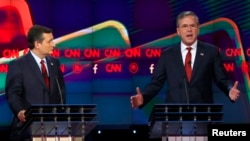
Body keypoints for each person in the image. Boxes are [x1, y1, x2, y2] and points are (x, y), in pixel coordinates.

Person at [130, 11, 240, 109]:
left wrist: (230, 90)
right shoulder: (167, 55)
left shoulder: (211, 52)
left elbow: (221, 79)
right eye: (184, 26)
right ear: (178, 31)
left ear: (198, 29)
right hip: (174, 116)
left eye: (192, 26)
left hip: (203, 114)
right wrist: (143, 97)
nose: (189, 29)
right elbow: (156, 83)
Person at [5, 25, 66, 141]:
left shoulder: (55, 63)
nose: (54, 44)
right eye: (50, 41)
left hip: (52, 129)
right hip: (28, 128)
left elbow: (60, 92)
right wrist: (19, 111)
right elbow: (13, 93)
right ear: (37, 44)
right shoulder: (18, 65)